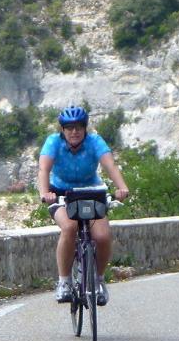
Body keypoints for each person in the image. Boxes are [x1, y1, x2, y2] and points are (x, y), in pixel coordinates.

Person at [37, 105, 130, 306]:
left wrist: (122, 188)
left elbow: (110, 165)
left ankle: (97, 279)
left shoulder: (94, 141)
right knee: (69, 228)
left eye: (79, 127)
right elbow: (44, 169)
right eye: (69, 127)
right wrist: (45, 193)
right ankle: (64, 282)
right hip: (61, 194)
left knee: (102, 236)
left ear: (85, 128)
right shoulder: (53, 142)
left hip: (92, 192)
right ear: (62, 130)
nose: (74, 131)